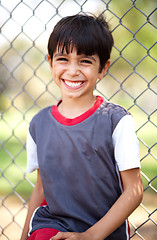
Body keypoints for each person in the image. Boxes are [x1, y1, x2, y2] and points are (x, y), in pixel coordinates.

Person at [20, 13, 143, 240]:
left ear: (103, 68)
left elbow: (134, 191)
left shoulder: (116, 121)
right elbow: (41, 188)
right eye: (63, 59)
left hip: (102, 229)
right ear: (50, 62)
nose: (73, 70)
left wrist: (89, 236)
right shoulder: (39, 124)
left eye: (85, 61)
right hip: (53, 223)